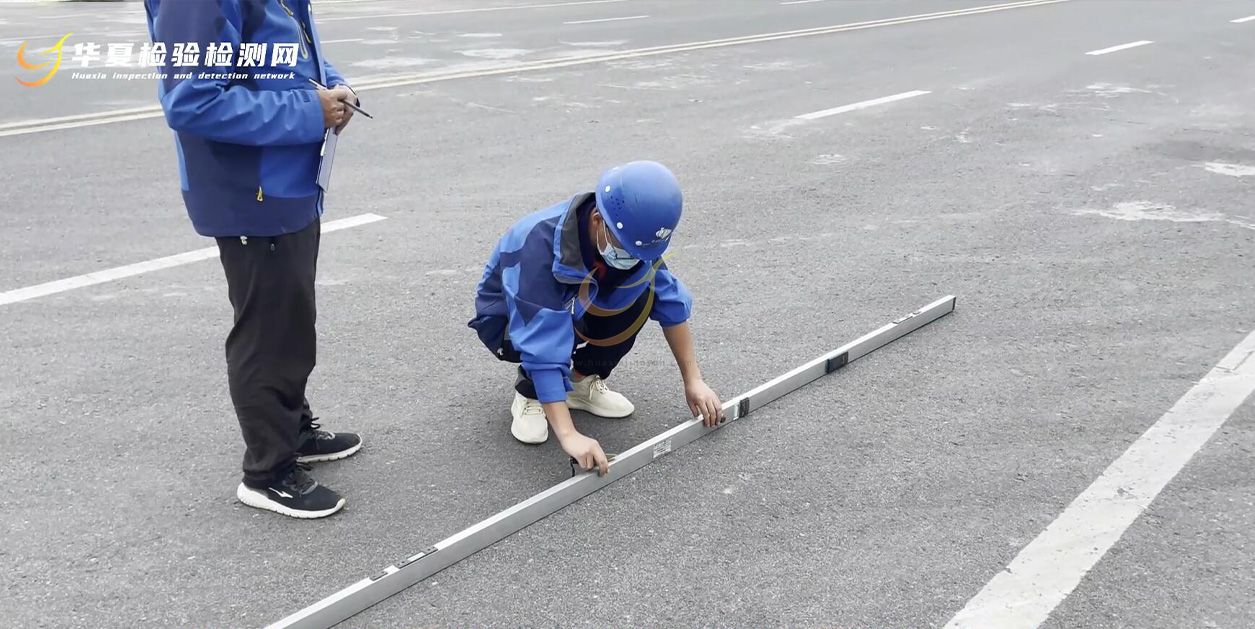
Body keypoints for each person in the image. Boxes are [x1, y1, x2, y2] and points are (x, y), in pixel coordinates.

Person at [145, 0, 363, 519]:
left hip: (289, 183)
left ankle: (293, 429)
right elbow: (192, 101)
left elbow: (288, 56)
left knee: (290, 323)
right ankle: (268, 472)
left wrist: (335, 87)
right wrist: (311, 111)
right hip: (250, 191)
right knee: (269, 334)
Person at [469, 161, 724, 475]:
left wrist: (693, 380)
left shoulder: (631, 236)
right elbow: (541, 341)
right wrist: (569, 434)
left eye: (638, 253)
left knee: (640, 293)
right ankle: (531, 393)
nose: (631, 258)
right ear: (597, 220)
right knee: (555, 329)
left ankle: (579, 382)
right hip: (510, 321)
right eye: (626, 250)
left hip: (577, 303)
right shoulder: (537, 244)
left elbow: (669, 301)